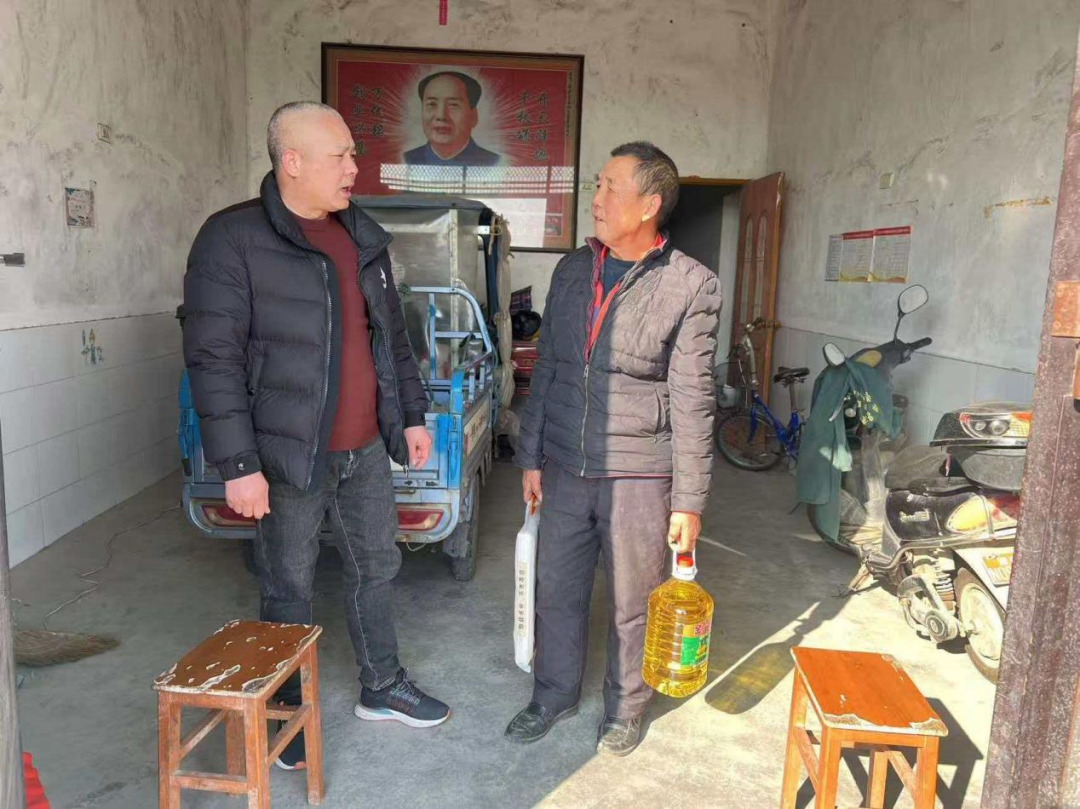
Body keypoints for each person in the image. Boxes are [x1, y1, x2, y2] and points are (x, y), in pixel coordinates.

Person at [183, 101, 451, 771]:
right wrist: (238, 463)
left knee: (377, 566)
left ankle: (382, 685)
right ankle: (285, 710)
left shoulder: (362, 236)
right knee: (288, 583)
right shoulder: (232, 239)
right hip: (287, 454)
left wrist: (411, 415)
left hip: (364, 449)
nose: (354, 168)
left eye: (353, 155)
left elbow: (392, 341)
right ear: (293, 161)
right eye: (342, 156)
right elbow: (213, 359)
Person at [504, 142, 721, 756]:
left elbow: (693, 401)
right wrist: (531, 456)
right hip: (566, 465)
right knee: (556, 588)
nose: (595, 200)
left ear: (649, 205)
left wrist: (689, 501)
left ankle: (625, 708)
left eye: (609, 188)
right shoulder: (573, 270)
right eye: (595, 186)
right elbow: (549, 367)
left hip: (640, 473)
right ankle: (552, 694)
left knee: (633, 600)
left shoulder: (691, 285)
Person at [403, 71, 501, 167]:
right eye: (432, 104)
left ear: (473, 116)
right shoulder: (405, 160)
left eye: (453, 105)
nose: (441, 116)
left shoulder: (496, 163)